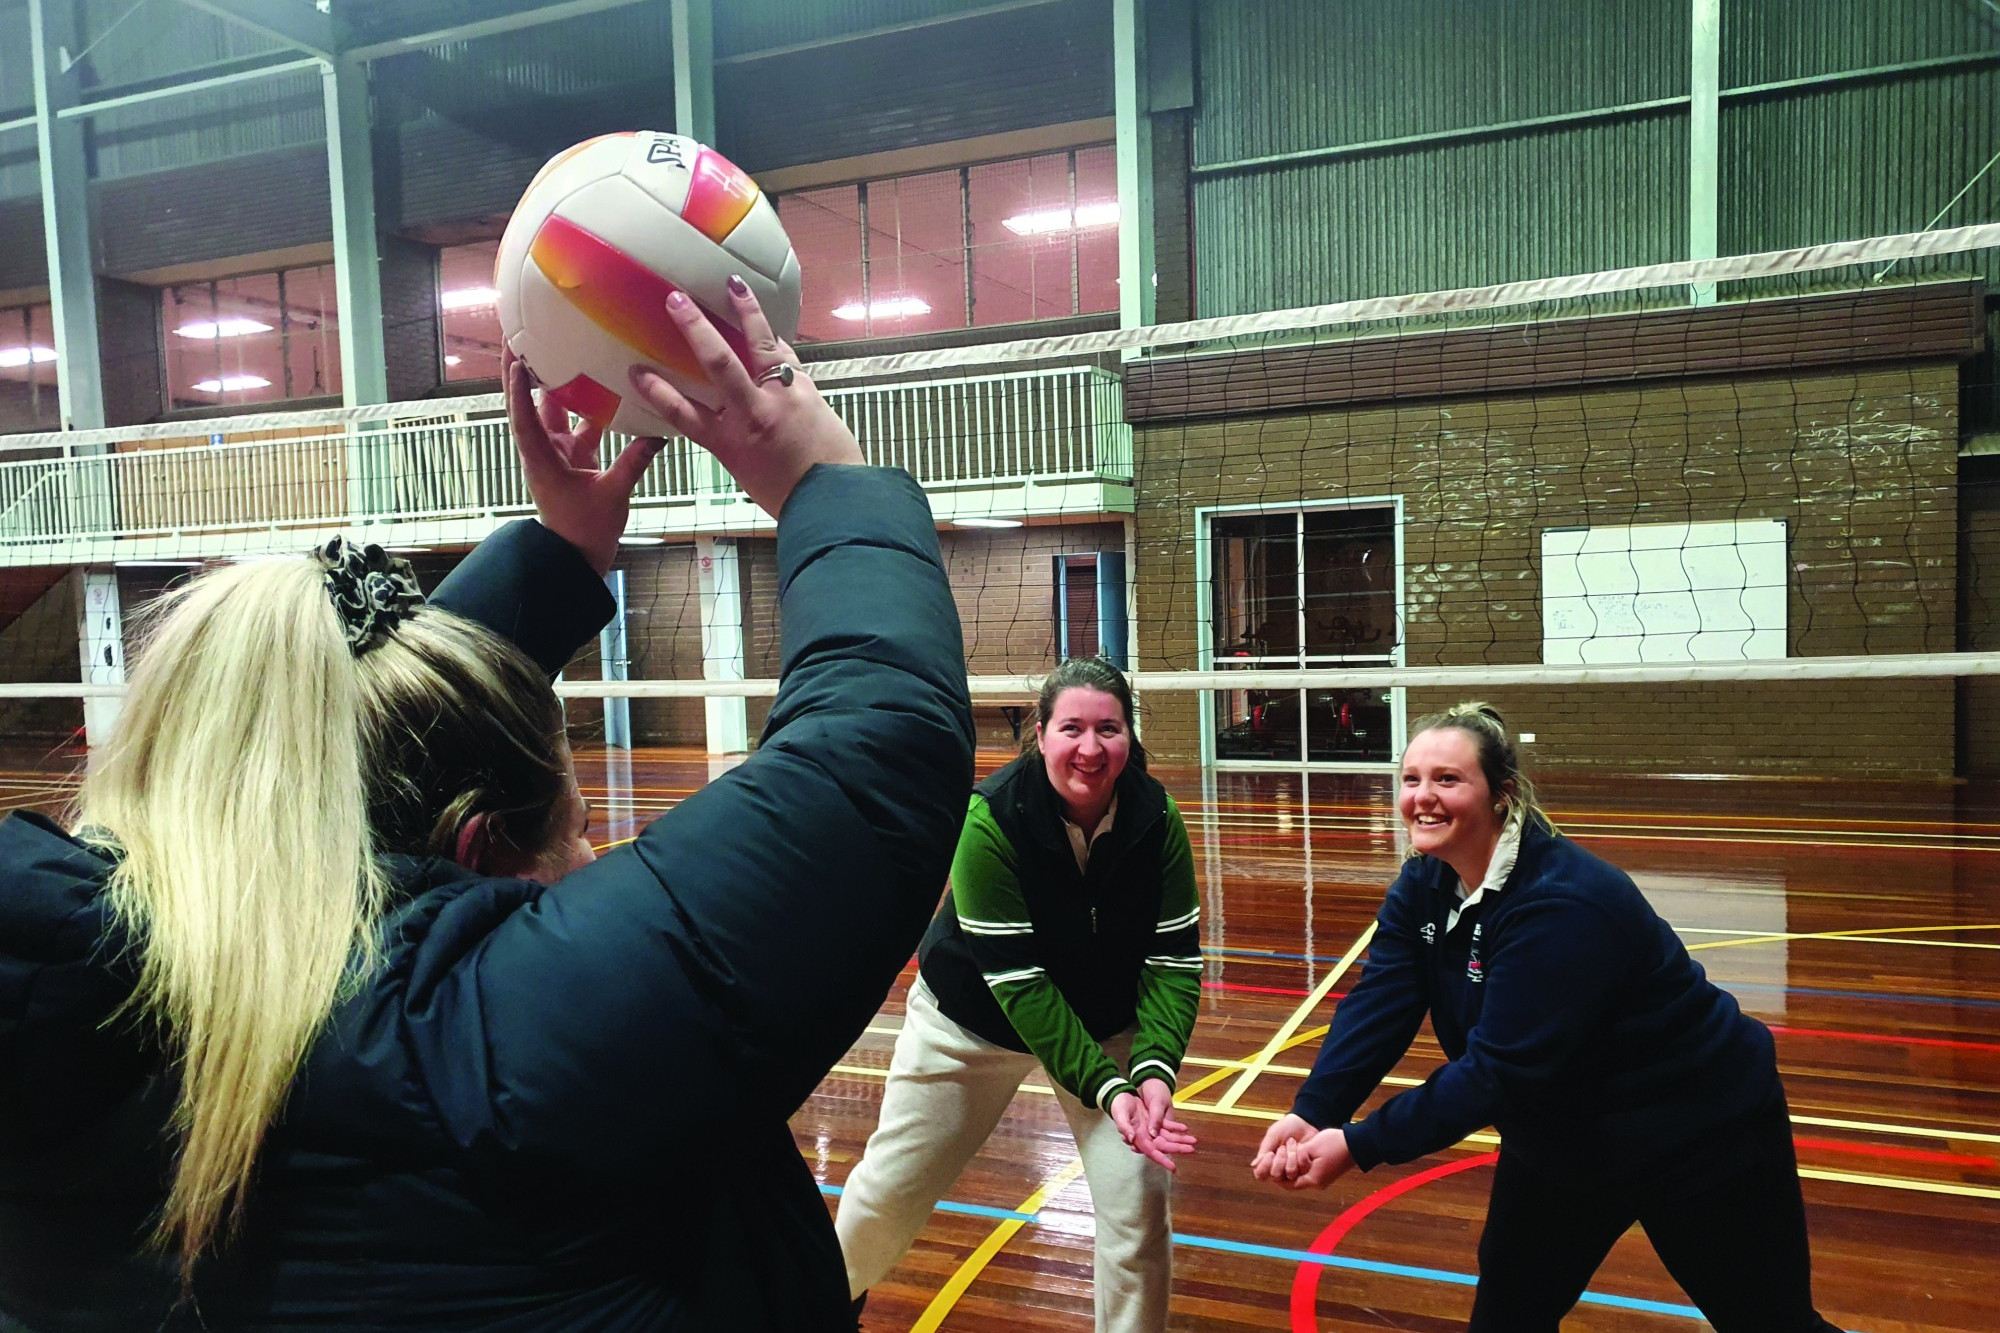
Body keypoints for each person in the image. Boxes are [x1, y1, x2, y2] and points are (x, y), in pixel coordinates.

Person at [0, 282, 975, 1331]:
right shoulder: (496, 1048)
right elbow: (876, 748)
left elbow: (351, 764)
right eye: (582, 829)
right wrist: (818, 471)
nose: (597, 851)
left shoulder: (55, 991)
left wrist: (554, 563)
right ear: (476, 851)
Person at [1253, 702, 1841, 1333]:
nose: (1423, 797)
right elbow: (1381, 1000)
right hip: (1560, 1140)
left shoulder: (1561, 903)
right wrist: (1315, 1108)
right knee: (1509, 1315)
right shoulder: (1426, 881)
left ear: (1501, 795)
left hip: (1695, 1134)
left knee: (1769, 1322)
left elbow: (1498, 1072)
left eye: (1448, 779)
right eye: (1411, 778)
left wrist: (1359, 1144)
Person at [836, 656, 1201, 1333]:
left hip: (1104, 1024)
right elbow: (1021, 984)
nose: (1090, 749)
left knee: (1139, 1205)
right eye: (1072, 728)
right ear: (1040, 733)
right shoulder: (992, 818)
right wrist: (1109, 1089)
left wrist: (1151, 1069)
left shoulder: (1157, 818)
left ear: (1129, 735)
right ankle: (817, 1302)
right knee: (891, 1190)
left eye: (1108, 729)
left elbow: (1174, 959)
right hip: (972, 1023)